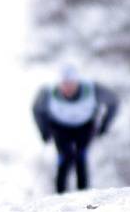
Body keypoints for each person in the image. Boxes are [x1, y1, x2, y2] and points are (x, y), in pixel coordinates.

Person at [32, 65, 119, 194]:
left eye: (71, 84)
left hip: (84, 126)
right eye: (64, 85)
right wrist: (44, 131)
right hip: (59, 126)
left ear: (77, 82)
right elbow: (37, 109)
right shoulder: (48, 92)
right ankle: (59, 194)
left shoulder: (93, 89)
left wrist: (104, 126)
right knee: (64, 157)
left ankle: (83, 193)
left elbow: (113, 102)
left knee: (81, 156)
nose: (67, 88)